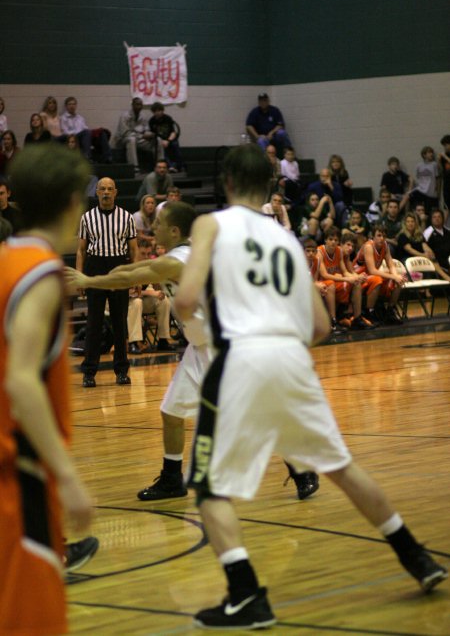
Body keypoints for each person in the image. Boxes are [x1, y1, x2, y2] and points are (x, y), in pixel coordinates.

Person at [173, 144, 447, 630]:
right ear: (271, 186)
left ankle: (245, 595)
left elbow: (186, 298)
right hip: (292, 357)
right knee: (341, 466)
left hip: (240, 356)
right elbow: (320, 326)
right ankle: (417, 557)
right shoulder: (285, 240)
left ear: (228, 183)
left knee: (209, 487)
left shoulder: (212, 225)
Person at [66, 202, 316, 502]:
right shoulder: (179, 254)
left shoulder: (177, 262)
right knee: (171, 412)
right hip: (200, 348)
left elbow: (132, 276)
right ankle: (172, 479)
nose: (152, 227)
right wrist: (117, 270)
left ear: (174, 231)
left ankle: (302, 468)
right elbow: (136, 269)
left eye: (158, 223)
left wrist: (89, 280)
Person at [0, 143, 94, 635]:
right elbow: (20, 380)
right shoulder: (40, 274)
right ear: (71, 202)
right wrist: (69, 475)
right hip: (22, 474)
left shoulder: (4, 259)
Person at [76, 177, 138, 387]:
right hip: (95, 269)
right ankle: (89, 372)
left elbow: (134, 250)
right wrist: (80, 276)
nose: (106, 192)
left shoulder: (127, 217)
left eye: (110, 189)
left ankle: (122, 370)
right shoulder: (87, 218)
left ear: (116, 192)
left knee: (120, 323)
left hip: (119, 268)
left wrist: (136, 275)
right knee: (94, 322)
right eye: (102, 189)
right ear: (97, 193)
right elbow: (81, 250)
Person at [317, 227, 371, 330]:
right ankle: (333, 320)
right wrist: (347, 279)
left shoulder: (339, 251)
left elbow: (345, 271)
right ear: (325, 240)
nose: (333, 242)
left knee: (356, 283)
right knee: (332, 284)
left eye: (336, 240)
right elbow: (324, 275)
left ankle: (357, 318)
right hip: (322, 282)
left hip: (334, 281)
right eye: (330, 239)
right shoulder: (320, 252)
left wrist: (356, 277)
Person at [353, 224, 405, 324]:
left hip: (371, 276)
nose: (382, 238)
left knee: (400, 279)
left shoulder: (385, 245)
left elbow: (391, 265)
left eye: (384, 236)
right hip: (359, 277)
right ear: (373, 236)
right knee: (378, 279)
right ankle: (369, 313)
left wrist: (397, 276)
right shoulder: (368, 246)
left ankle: (390, 311)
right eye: (379, 235)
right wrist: (394, 276)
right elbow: (372, 270)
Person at [114, 97, 156, 175]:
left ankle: (159, 165)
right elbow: (125, 133)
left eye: (140, 105)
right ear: (132, 105)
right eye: (137, 104)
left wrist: (149, 134)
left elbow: (146, 129)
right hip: (123, 139)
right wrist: (141, 135)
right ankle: (134, 167)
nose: (139, 106)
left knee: (157, 140)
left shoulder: (143, 116)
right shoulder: (125, 116)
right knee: (131, 139)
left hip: (138, 139)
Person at [149, 102, 183, 172]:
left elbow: (173, 132)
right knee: (161, 148)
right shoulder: (151, 121)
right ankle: (170, 166)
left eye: (159, 110)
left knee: (175, 145)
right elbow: (153, 134)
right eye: (155, 111)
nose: (157, 113)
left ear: (162, 110)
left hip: (169, 138)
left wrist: (168, 140)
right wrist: (161, 141)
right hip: (159, 141)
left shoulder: (168, 118)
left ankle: (179, 166)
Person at [407, 146, 440, 214]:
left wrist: (438, 191)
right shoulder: (419, 165)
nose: (431, 154)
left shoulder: (434, 164)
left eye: (432, 152)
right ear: (424, 155)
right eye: (429, 152)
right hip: (421, 190)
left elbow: (437, 178)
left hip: (430, 192)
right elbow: (416, 178)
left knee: (428, 211)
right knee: (408, 197)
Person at [438, 134, 450, 211]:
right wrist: (439, 161)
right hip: (447, 184)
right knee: (447, 207)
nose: (445, 147)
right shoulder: (444, 156)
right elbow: (441, 170)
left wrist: (446, 157)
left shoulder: (445, 156)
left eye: (446, 145)